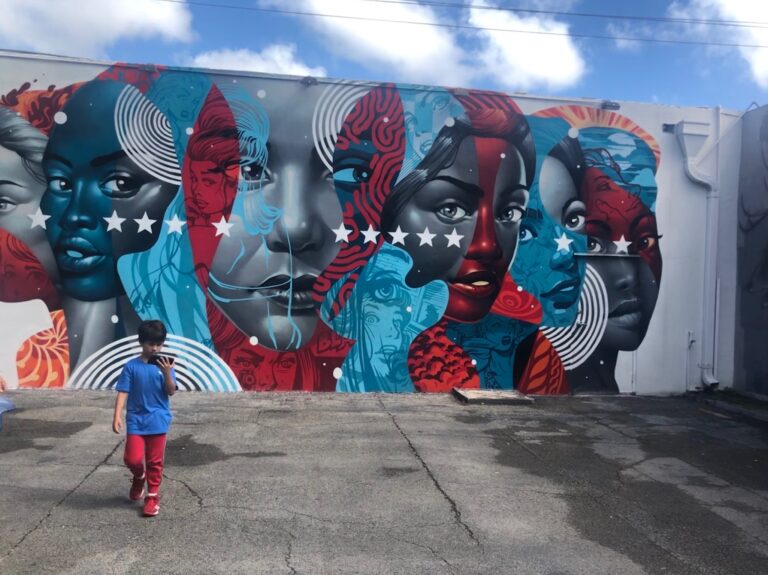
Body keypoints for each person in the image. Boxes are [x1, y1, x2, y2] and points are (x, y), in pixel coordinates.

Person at [112, 319, 177, 517]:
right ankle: (139, 477)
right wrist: (117, 416)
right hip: (136, 420)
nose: (155, 349)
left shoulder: (166, 365)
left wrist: (167, 373)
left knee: (155, 462)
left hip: (158, 419)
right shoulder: (131, 366)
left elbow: (171, 391)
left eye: (159, 344)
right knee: (132, 458)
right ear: (142, 342)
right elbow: (123, 391)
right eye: (151, 344)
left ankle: (152, 497)